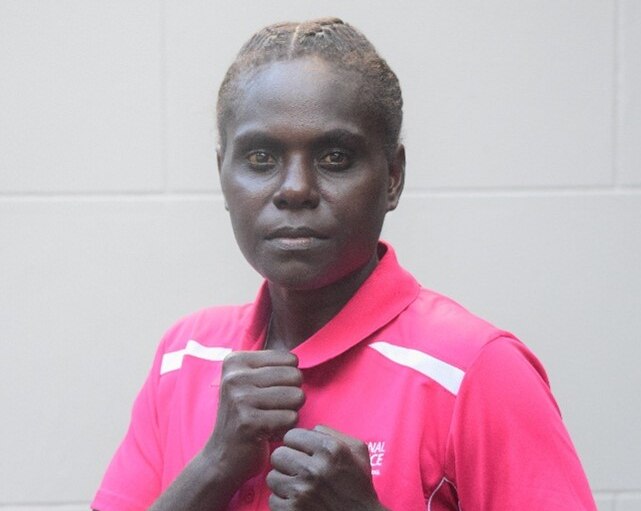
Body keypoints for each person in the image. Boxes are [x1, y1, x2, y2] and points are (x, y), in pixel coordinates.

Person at [92, 17, 597, 511]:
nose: (294, 189)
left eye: (335, 157)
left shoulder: (476, 370)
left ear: (393, 177)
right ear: (222, 174)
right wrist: (215, 466)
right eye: (261, 158)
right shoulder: (185, 355)